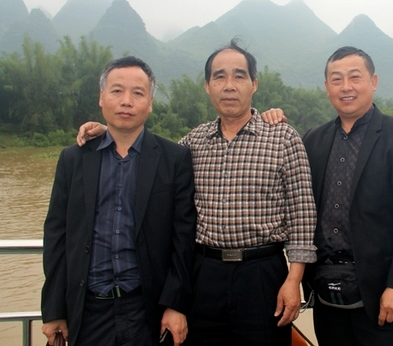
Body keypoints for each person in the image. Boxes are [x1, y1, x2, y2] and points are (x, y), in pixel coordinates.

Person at [77, 39, 317, 346]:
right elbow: (150, 153)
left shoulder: (283, 138)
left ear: (254, 84)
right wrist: (111, 132)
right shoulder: (193, 142)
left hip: (262, 274)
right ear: (207, 86)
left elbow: (303, 216)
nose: (229, 85)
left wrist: (294, 280)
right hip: (204, 274)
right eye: (219, 77)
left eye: (239, 76)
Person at [266, 46, 393, 345]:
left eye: (355, 77)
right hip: (326, 291)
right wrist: (269, 123)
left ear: (373, 82)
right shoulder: (313, 139)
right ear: (327, 86)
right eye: (337, 79)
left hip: (382, 295)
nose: (346, 87)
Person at [42, 56, 197, 346]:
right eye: (117, 91)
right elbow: (56, 237)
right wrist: (54, 310)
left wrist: (175, 304)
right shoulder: (73, 159)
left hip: (147, 310)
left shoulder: (174, 158)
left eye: (137, 93)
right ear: (102, 97)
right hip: (87, 310)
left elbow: (183, 238)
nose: (126, 101)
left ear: (150, 102)